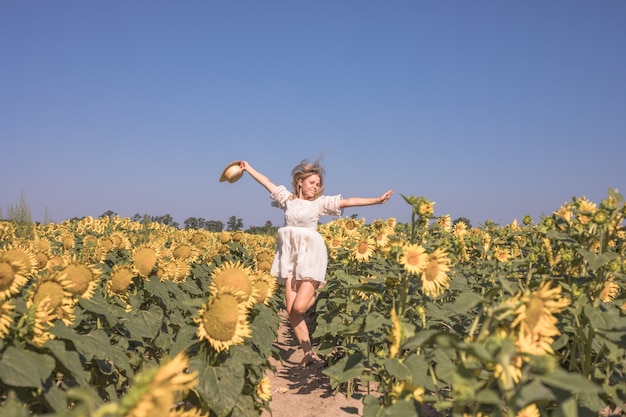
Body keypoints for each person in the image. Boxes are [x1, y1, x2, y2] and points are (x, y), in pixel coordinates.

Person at [239, 158, 393, 368]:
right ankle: (308, 353)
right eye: (312, 182)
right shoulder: (288, 199)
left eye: (318, 184)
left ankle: (322, 286)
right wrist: (247, 168)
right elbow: (266, 182)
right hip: (291, 259)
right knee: (291, 310)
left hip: (311, 256)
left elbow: (348, 201)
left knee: (300, 307)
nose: (316, 187)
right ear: (300, 182)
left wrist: (376, 200)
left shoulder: (319, 204)